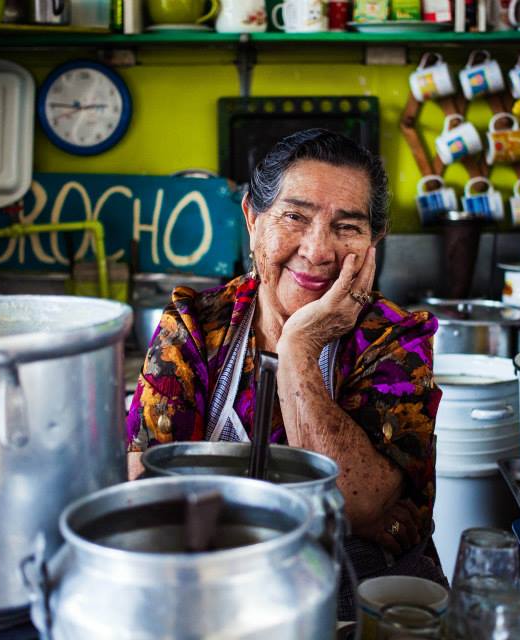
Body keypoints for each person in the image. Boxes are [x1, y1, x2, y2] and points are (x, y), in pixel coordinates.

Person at [125, 129, 446, 617]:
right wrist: (338, 513)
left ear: (374, 240)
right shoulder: (195, 327)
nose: (318, 251)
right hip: (208, 595)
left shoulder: (395, 340)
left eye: (347, 227)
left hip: (366, 602)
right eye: (295, 216)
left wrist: (300, 347)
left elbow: (359, 505)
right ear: (253, 219)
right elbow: (147, 495)